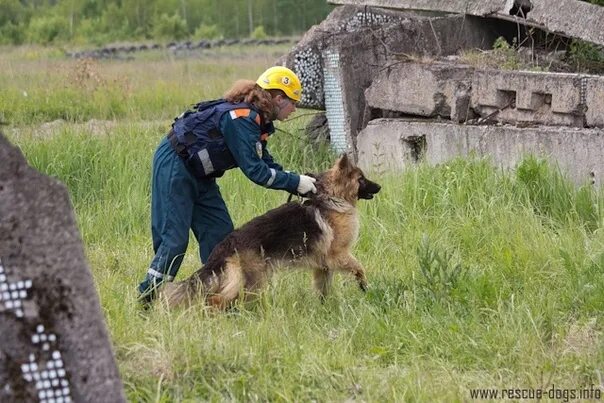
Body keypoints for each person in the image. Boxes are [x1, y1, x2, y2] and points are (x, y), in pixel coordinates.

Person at [137, 66, 317, 304]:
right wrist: (295, 182)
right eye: (293, 102)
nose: (295, 109)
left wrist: (297, 182)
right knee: (174, 241)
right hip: (175, 164)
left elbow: (264, 160)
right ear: (278, 98)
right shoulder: (240, 119)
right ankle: (147, 299)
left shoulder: (258, 120)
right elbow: (256, 171)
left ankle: (216, 299)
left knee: (220, 236)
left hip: (201, 174)